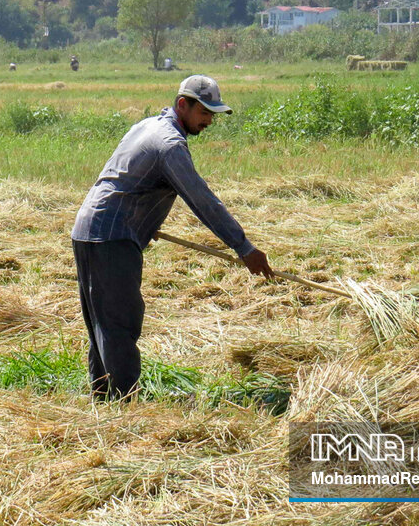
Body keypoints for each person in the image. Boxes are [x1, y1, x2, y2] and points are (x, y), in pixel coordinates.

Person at [71, 75, 273, 400]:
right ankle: (124, 406)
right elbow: (202, 200)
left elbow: (124, 182)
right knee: (119, 325)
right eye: (204, 112)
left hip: (89, 230)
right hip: (112, 238)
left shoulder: (147, 126)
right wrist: (243, 246)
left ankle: (103, 401)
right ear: (183, 105)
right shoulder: (169, 145)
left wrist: (144, 224)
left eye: (213, 114)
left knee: (104, 325)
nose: (209, 120)